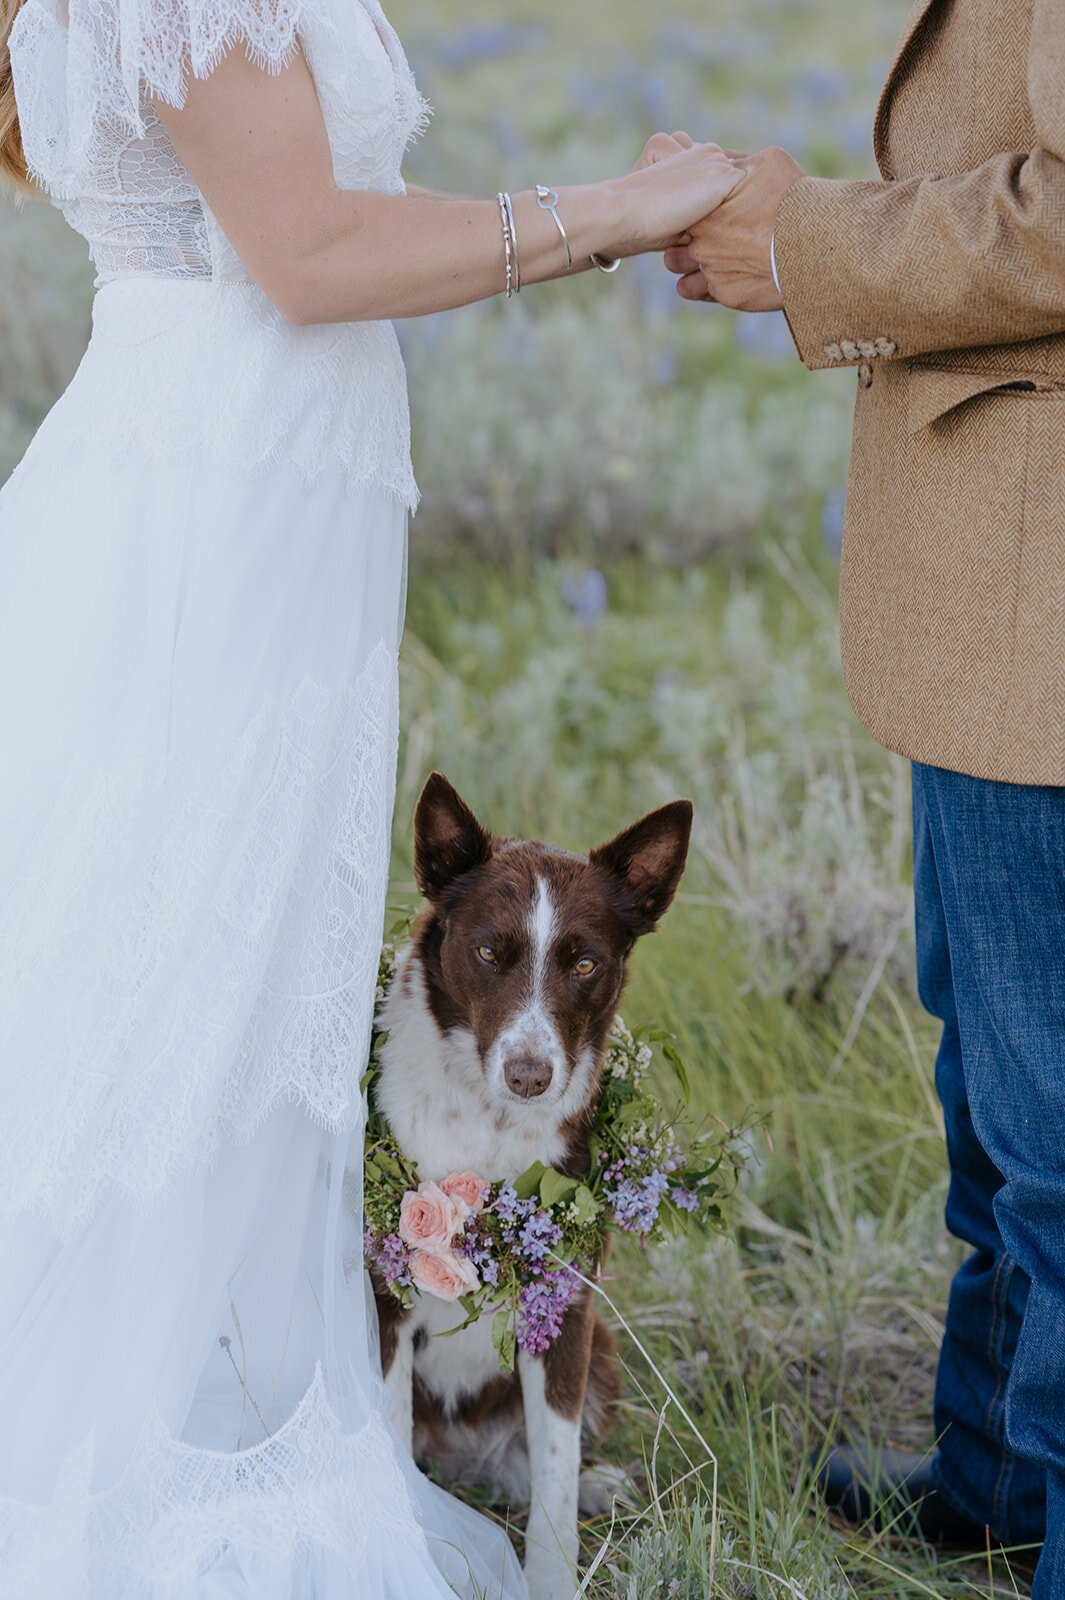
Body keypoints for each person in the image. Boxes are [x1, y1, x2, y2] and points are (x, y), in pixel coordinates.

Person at [0, 0, 744, 1590]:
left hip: (255, 504)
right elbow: (310, 252)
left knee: (223, 974)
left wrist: (611, 218)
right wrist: (610, 214)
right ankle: (135, 1422)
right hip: (215, 528)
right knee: (166, 981)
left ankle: (219, 1367)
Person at [661, 1, 1065, 1594]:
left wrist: (812, 245)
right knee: (994, 1085)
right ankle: (994, 1469)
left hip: (1041, 605)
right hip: (995, 598)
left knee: (1052, 1134)